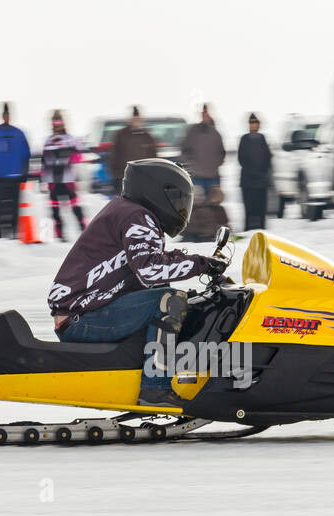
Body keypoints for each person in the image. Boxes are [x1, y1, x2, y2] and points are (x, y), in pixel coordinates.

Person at [47, 158, 225, 408]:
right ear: (156, 191)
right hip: (83, 318)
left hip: (83, 313)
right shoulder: (138, 217)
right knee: (171, 301)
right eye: (176, 200)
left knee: (169, 297)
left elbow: (143, 267)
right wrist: (200, 265)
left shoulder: (127, 210)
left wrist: (192, 262)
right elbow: (150, 270)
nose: (180, 208)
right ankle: (155, 388)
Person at [0, 102, 30, 239]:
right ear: (2, 116)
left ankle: (14, 235)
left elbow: (26, 156)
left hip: (15, 178)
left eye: (8, 114)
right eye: (4, 114)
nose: (6, 117)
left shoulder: (19, 134)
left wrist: (24, 174)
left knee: (15, 209)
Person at [41, 110, 86, 241]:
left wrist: (71, 155)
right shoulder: (48, 140)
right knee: (54, 208)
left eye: (59, 121)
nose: (57, 124)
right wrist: (42, 178)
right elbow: (43, 160)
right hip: (52, 179)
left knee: (75, 206)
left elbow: (79, 155)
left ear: (63, 122)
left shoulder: (70, 139)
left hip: (68, 178)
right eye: (54, 122)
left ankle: (84, 231)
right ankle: (60, 235)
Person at [109, 107, 156, 196]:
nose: (136, 121)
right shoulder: (121, 134)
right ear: (130, 120)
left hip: (143, 177)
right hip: (124, 177)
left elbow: (154, 157)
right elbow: (114, 155)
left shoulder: (147, 136)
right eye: (134, 119)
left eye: (138, 119)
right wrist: (115, 175)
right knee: (126, 203)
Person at [237, 113, 272, 231]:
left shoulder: (262, 138)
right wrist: (252, 171)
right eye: (251, 123)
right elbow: (241, 158)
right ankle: (248, 229)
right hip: (248, 180)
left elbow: (267, 157)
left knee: (261, 208)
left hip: (261, 180)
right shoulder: (244, 139)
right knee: (249, 208)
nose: (253, 125)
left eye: (255, 123)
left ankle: (262, 229)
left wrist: (263, 172)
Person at [180, 103, 225, 197]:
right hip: (197, 177)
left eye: (207, 112)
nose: (205, 114)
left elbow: (222, 153)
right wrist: (194, 165)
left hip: (213, 177)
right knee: (198, 207)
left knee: (214, 207)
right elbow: (185, 150)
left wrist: (215, 164)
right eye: (203, 112)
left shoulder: (215, 133)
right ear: (201, 114)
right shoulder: (193, 131)